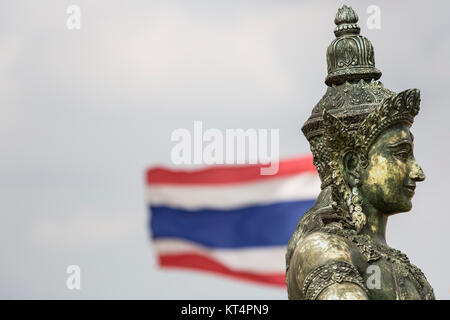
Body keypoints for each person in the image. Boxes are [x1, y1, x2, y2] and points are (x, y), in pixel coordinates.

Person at [286, 5, 435, 300]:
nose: (418, 172)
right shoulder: (324, 250)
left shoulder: (403, 268)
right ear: (353, 165)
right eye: (401, 153)